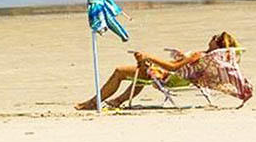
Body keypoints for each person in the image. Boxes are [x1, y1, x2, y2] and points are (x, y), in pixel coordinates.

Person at [77, 32, 240, 109]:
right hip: (178, 77)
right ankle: (118, 100)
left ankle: (94, 102)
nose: (211, 37)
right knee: (142, 69)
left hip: (168, 76)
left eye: (214, 37)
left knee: (120, 71)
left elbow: (174, 67)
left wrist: (150, 57)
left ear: (217, 44)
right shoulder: (210, 58)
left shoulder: (199, 55)